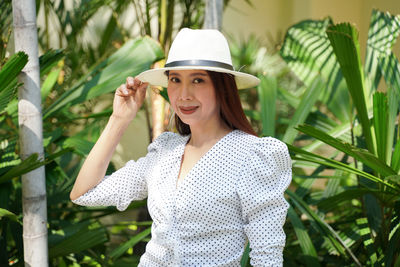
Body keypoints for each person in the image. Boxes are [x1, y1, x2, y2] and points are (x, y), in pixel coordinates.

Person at [70, 28, 292, 266]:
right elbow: (84, 193)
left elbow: (267, 256)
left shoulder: (253, 156)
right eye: (175, 79)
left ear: (222, 87)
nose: (184, 94)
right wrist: (119, 120)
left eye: (198, 80)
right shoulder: (165, 152)